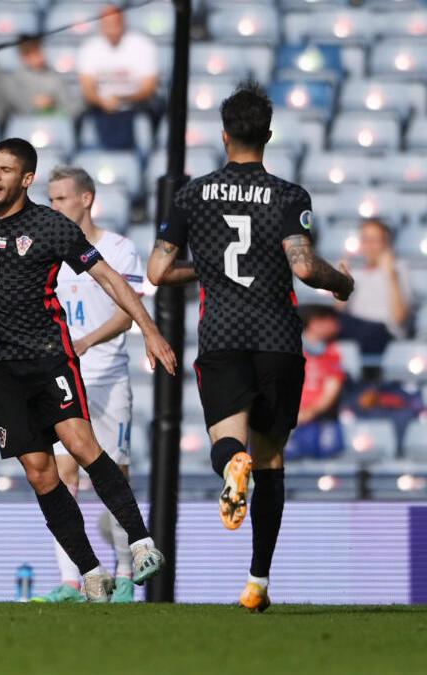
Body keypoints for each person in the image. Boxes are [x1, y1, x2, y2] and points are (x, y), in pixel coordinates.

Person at [148, 82, 354, 612]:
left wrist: (209, 268)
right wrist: (341, 284)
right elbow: (304, 267)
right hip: (278, 339)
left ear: (224, 136)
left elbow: (158, 270)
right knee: (272, 459)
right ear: (267, 134)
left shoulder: (192, 194)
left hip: (222, 335)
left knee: (230, 444)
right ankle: (257, 584)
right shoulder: (289, 196)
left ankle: (230, 465)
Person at [0, 138, 173, 602]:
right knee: (41, 474)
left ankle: (140, 545)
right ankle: (89, 573)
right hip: (1, 369)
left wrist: (150, 329)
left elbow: (108, 278)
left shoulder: (50, 226)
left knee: (82, 445)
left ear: (27, 178)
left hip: (48, 357)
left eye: (6, 170)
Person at [32, 166, 144, 604]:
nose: (54, 206)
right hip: (63, 378)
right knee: (61, 475)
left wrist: (85, 341)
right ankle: (73, 580)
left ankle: (124, 573)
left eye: (61, 199)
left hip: (107, 377)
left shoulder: (118, 249)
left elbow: (127, 309)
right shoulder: (47, 251)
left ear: (86, 199)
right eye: (51, 199)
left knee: (115, 473)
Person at [77, 5, 159, 150]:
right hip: (100, 108)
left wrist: (122, 99)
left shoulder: (142, 45)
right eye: (107, 24)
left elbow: (149, 87)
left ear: (123, 23)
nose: (112, 29)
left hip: (135, 107)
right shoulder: (90, 48)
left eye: (115, 24)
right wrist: (103, 102)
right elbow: (87, 87)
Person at [337, 219, 413, 368]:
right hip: (354, 326)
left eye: (374, 240)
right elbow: (339, 311)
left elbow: (399, 318)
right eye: (365, 239)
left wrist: (391, 275)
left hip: (382, 331)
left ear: (386, 243)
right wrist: (341, 282)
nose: (369, 245)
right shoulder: (354, 269)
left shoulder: (399, 269)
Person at [288, 306, 346, 460]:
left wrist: (310, 412)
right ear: (314, 323)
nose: (335, 325)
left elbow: (331, 390)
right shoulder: (287, 350)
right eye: (327, 319)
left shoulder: (332, 354)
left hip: (317, 420)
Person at [5, 36, 76, 117]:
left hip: (53, 123)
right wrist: (34, 104)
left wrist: (53, 103)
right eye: (36, 53)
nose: (41, 56)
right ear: (24, 57)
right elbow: (15, 108)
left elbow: (69, 108)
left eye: (40, 51)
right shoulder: (14, 79)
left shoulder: (54, 77)